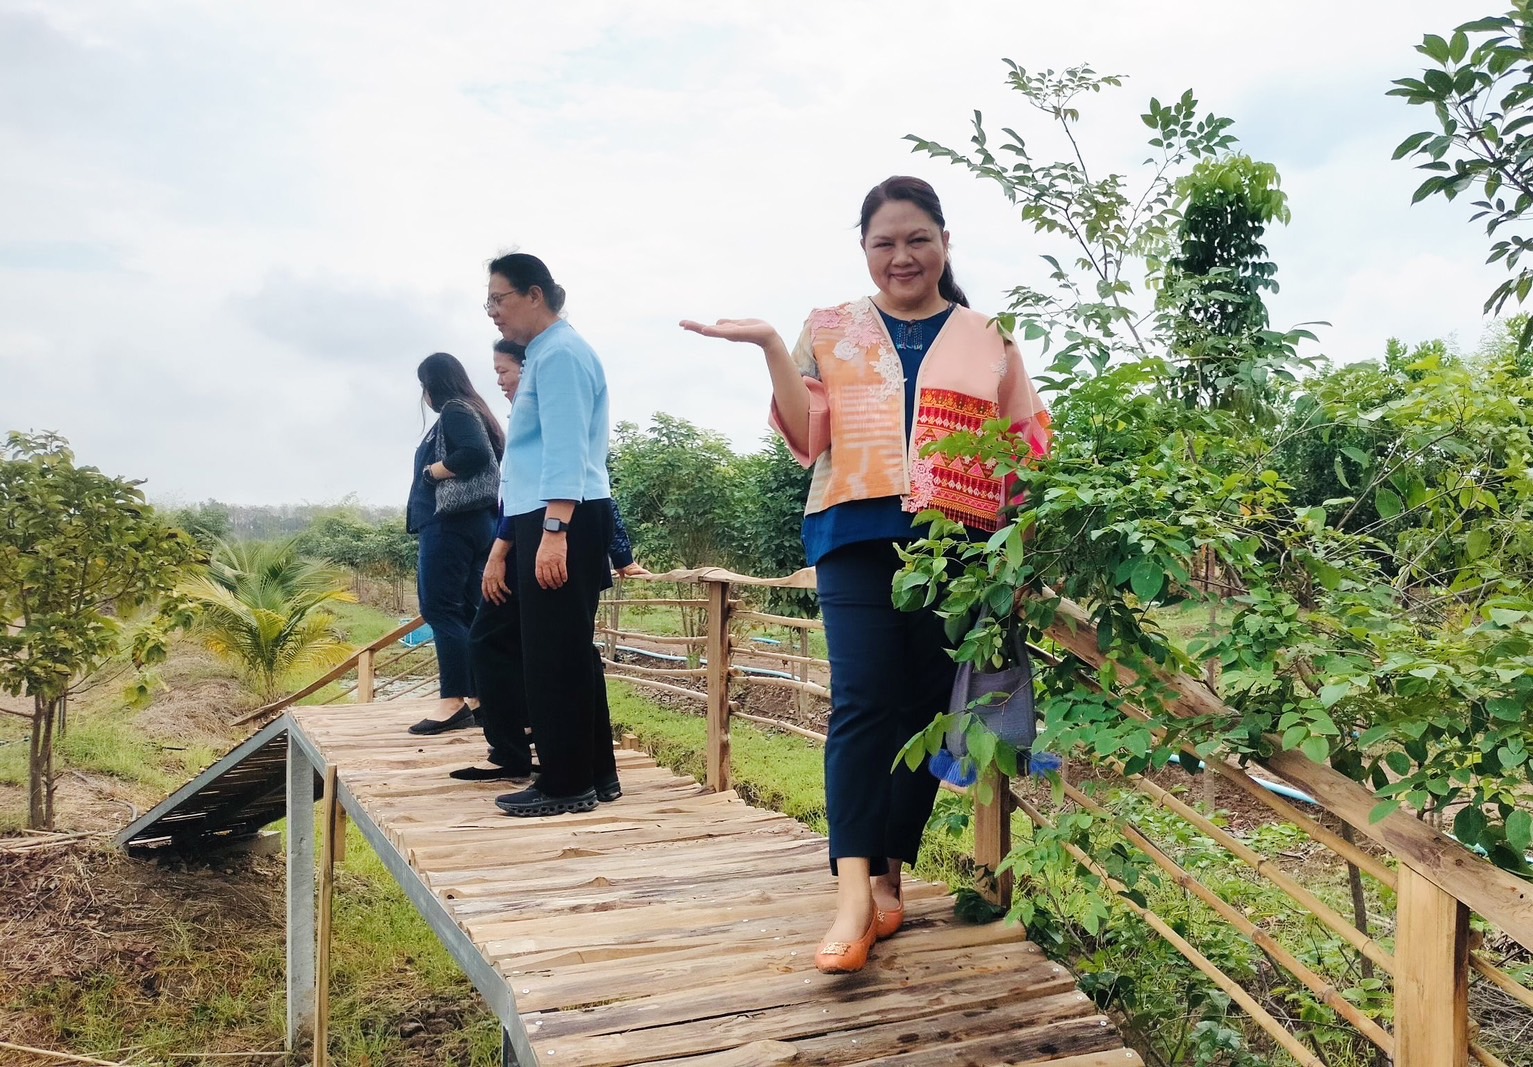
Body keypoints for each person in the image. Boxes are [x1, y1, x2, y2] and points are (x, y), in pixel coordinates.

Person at [681, 176, 1051, 974]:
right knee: (860, 700)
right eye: (883, 242)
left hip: (958, 544)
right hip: (851, 531)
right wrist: (775, 347)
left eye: (917, 238)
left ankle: (889, 873)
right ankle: (851, 891)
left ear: (945, 242)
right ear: (864, 250)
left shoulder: (990, 335)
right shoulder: (832, 328)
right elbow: (808, 431)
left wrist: (1017, 555)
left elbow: (1024, 445)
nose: (901, 256)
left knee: (920, 708)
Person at [453, 338, 648, 789]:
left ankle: (576, 774)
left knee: (563, 653)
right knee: (528, 646)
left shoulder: (559, 368)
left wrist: (612, 553)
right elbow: (517, 493)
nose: (499, 381)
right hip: (530, 533)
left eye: (505, 371)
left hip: (554, 532)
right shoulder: (527, 424)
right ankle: (565, 764)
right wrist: (500, 551)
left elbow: (587, 478)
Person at [476, 253, 620, 817]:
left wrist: (555, 531)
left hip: (562, 514)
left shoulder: (559, 355)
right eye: (487, 302)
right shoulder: (548, 354)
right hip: (559, 513)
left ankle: (564, 784)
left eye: (499, 299)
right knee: (567, 650)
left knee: (552, 655)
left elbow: (566, 449)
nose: (493, 312)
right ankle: (594, 774)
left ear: (534, 294)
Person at [404, 352, 505, 735]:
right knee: (465, 609)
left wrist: (433, 472)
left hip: (450, 523)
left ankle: (453, 701)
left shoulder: (455, 411)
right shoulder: (476, 410)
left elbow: (475, 454)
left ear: (434, 383)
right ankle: (479, 697)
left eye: (424, 385)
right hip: (478, 523)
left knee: (440, 609)